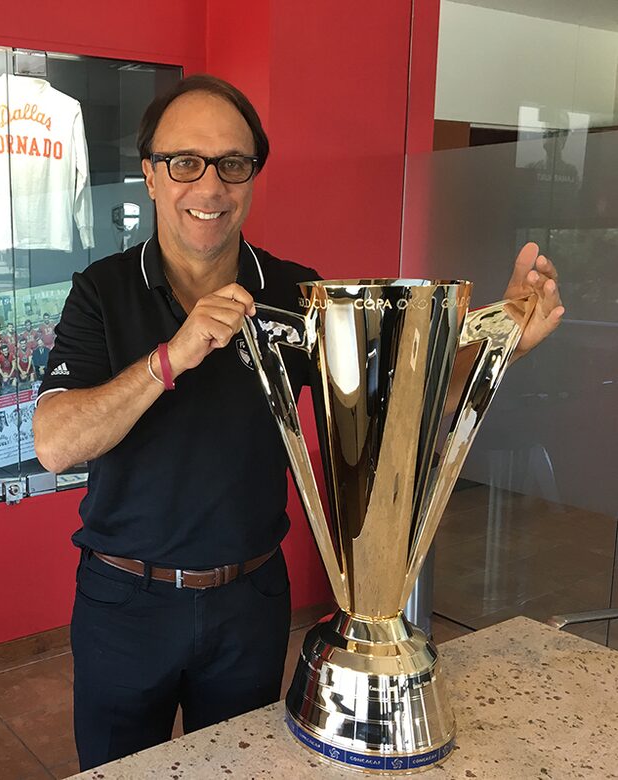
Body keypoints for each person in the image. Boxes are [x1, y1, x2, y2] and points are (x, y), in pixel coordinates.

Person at [32, 75, 564, 771]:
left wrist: (497, 345)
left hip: (247, 603)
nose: (210, 186)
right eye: (185, 162)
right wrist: (174, 355)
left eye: (233, 164)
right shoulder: (101, 290)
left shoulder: (293, 291)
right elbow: (55, 442)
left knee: (245, 766)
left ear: (252, 176)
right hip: (125, 601)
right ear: (151, 176)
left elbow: (392, 407)